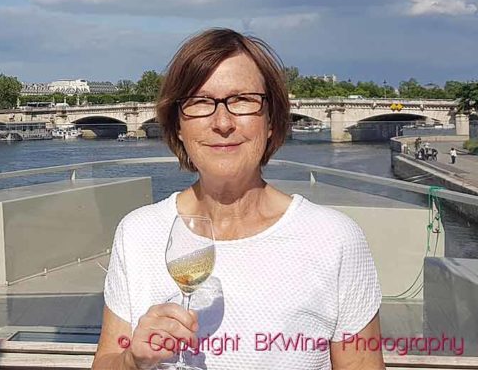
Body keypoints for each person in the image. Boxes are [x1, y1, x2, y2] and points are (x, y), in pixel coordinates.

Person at [93, 28, 383, 370]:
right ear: (178, 127)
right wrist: (131, 360)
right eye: (200, 103)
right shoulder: (137, 233)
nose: (223, 122)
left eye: (242, 100)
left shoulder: (335, 239)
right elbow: (107, 362)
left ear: (272, 120)